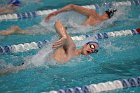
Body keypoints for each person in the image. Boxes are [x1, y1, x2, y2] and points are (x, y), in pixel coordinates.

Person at [45, 4, 117, 26]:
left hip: (70, 30)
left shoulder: (93, 13)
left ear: (105, 12)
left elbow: (72, 6)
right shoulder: (106, 24)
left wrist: (56, 12)